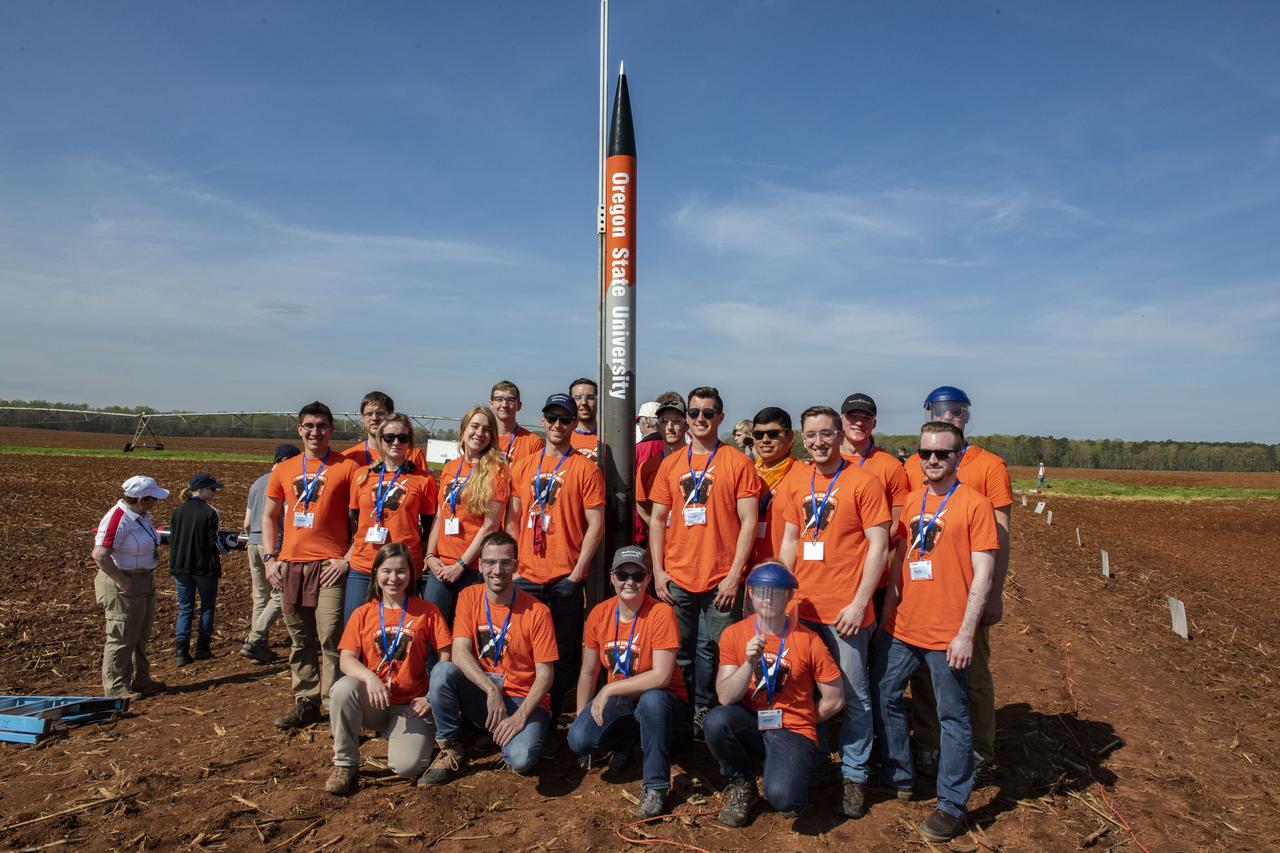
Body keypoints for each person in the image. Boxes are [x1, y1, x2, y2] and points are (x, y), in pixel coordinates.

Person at [872, 421, 998, 842]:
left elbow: (983, 574)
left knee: (952, 716)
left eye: (942, 453)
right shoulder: (911, 501)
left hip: (948, 635)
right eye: (925, 452)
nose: (932, 460)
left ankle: (951, 804)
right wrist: (886, 618)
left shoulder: (975, 506)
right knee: (885, 693)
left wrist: (966, 633)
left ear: (958, 457)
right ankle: (900, 774)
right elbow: (898, 565)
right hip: (904, 627)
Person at [777, 406, 891, 818]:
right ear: (802, 437)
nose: (819, 442)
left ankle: (856, 775)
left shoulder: (863, 481)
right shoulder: (796, 480)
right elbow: (791, 541)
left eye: (826, 434)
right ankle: (817, 759)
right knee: (805, 690)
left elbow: (879, 545)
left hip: (845, 613)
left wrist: (860, 603)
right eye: (811, 435)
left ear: (839, 434)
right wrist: (782, 598)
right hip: (802, 608)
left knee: (855, 697)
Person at [903, 386, 1013, 780]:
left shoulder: (989, 466)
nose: (949, 416)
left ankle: (980, 750)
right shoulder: (915, 466)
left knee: (974, 675)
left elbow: (1001, 536)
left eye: (956, 411)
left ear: (966, 417)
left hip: (965, 593)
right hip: (923, 594)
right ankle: (929, 744)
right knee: (924, 678)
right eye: (940, 409)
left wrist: (994, 594)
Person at [648, 387, 762, 739]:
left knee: (716, 650)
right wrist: (658, 570)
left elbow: (748, 522)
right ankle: (681, 715)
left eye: (707, 413)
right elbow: (656, 519)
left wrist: (733, 576)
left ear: (720, 417)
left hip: (719, 577)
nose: (700, 419)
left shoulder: (737, 462)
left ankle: (711, 714)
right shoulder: (671, 463)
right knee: (679, 650)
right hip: (678, 574)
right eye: (694, 413)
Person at [706, 562, 844, 827]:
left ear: (790, 596)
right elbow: (725, 696)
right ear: (751, 595)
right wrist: (748, 663)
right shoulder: (734, 634)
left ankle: (794, 763)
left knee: (785, 800)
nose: (767, 598)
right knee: (716, 720)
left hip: (792, 727)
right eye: (760, 591)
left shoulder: (809, 640)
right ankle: (743, 782)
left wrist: (803, 721)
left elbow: (835, 698)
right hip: (752, 721)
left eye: (776, 592)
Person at [422, 532, 557, 782]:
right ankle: (451, 746)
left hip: (521, 699)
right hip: (485, 695)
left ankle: (512, 733)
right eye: (490, 562)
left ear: (516, 566)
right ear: (480, 565)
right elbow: (459, 652)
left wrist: (519, 718)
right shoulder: (469, 596)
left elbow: (546, 676)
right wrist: (491, 690)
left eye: (505, 562)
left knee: (522, 759)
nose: (498, 570)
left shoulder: (538, 612)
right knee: (443, 672)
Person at [568, 546, 688, 818]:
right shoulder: (599, 614)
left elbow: (661, 676)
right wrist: (582, 716)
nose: (630, 582)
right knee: (578, 738)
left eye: (637, 575)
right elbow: (588, 672)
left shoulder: (660, 613)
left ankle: (655, 785)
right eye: (623, 575)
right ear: (612, 577)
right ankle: (628, 743)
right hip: (624, 703)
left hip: (665, 705)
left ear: (648, 579)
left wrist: (608, 688)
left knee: (653, 699)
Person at [508, 393, 606, 725]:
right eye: (551, 418)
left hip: (563, 575)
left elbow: (596, 523)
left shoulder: (585, 467)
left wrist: (578, 571)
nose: (557, 425)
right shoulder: (524, 466)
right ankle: (529, 709)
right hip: (527, 575)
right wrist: (513, 562)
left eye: (565, 419)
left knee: (563, 652)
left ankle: (552, 715)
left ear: (574, 424)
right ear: (543, 420)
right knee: (524, 648)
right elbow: (514, 516)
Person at [326, 543, 453, 795]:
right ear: (375, 574)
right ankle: (345, 764)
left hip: (411, 708)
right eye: (386, 571)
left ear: (412, 575)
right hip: (375, 701)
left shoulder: (427, 611)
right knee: (342, 688)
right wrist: (369, 678)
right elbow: (346, 659)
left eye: (401, 571)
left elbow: (446, 657)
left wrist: (430, 697)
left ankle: (404, 736)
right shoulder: (363, 613)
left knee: (407, 768)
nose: (393, 578)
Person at [262, 401, 360, 729]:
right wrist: (268, 558)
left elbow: (363, 520)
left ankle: (335, 706)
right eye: (309, 426)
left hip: (329, 566)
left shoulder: (346, 468)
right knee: (299, 638)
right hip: (291, 565)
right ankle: (305, 701)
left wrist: (346, 559)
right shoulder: (284, 469)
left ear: (330, 430)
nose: (315, 432)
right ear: (299, 430)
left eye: (321, 426)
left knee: (331, 635)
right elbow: (269, 516)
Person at [343, 413, 439, 625]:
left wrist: (424, 554)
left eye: (402, 438)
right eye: (389, 437)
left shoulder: (423, 480)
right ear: (380, 439)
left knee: (399, 627)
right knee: (354, 626)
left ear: (410, 442)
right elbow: (354, 516)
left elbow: (430, 524)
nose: (396, 442)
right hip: (364, 564)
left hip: (404, 566)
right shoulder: (362, 475)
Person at [424, 406, 510, 625]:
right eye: (474, 426)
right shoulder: (451, 467)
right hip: (441, 567)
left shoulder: (497, 470)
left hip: (472, 569)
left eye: (486, 429)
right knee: (434, 633)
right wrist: (430, 556)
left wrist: (460, 565)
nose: (479, 433)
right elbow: (441, 514)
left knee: (467, 634)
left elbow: (490, 526)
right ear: (463, 430)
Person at [92, 476, 169, 700]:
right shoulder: (118, 518)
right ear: (141, 499)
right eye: (153, 498)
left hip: (143, 579)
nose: (156, 502)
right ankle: (116, 687)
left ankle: (140, 679)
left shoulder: (141, 516)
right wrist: (121, 580)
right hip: (124, 581)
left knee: (140, 633)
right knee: (122, 634)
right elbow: (100, 555)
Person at [838, 393, 911, 626]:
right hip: (827, 574)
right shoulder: (825, 459)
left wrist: (865, 555)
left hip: (870, 577)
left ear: (874, 423)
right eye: (853, 416)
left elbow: (898, 524)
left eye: (866, 417)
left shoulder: (890, 466)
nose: (859, 422)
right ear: (841, 419)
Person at [241, 444, 301, 664]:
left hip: (252, 543)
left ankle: (258, 646)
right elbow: (285, 516)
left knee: (260, 596)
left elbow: (246, 522)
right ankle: (255, 639)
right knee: (280, 594)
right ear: (287, 460)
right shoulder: (286, 480)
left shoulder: (257, 483)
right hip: (273, 545)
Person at [168, 473, 228, 666]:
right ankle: (203, 648)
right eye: (212, 489)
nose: (215, 492)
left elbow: (173, 539)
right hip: (204, 566)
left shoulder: (178, 511)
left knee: (185, 608)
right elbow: (214, 541)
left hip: (180, 566)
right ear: (201, 489)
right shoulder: (211, 512)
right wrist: (225, 549)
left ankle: (181, 652)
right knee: (207, 606)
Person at [748, 406, 798, 566]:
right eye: (758, 435)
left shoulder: (804, 475)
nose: (765, 440)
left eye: (773, 434)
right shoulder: (746, 473)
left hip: (784, 571)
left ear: (789, 436)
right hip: (746, 570)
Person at [635, 396, 687, 535]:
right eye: (664, 422)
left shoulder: (697, 461)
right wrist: (658, 529)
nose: (670, 427)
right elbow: (641, 507)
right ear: (658, 426)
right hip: (660, 543)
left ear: (686, 425)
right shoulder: (647, 466)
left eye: (676, 421)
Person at [342, 391, 428, 470]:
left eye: (380, 413)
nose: (374, 418)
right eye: (369, 414)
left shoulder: (413, 455)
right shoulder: (348, 456)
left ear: (391, 416)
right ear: (362, 418)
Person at [489, 380, 545, 465]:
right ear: (491, 404)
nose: (504, 405)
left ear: (519, 405)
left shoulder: (533, 442)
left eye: (510, 400)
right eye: (499, 399)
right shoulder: (482, 438)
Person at [568, 377, 600, 460]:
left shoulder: (610, 438)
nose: (584, 402)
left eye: (590, 397)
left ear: (598, 401)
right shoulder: (563, 437)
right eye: (578, 398)